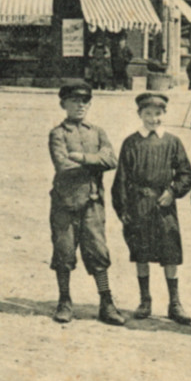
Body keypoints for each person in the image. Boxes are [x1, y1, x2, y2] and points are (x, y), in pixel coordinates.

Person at [111, 91, 191, 324]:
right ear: (139, 114)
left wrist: (173, 191)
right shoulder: (131, 142)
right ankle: (145, 300)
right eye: (148, 114)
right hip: (139, 205)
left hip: (164, 205)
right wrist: (123, 210)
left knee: (170, 252)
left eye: (158, 114)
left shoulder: (172, 142)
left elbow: (186, 173)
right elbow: (121, 179)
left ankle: (175, 302)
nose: (153, 119)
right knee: (141, 251)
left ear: (164, 114)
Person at [46, 81, 125, 326]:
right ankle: (64, 301)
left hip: (92, 203)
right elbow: (62, 165)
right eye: (74, 101)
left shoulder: (98, 132)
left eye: (84, 102)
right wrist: (95, 162)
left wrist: (81, 157)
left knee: (98, 252)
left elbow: (111, 159)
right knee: (64, 251)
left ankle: (106, 302)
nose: (80, 106)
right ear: (63, 104)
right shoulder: (58, 134)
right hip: (65, 203)